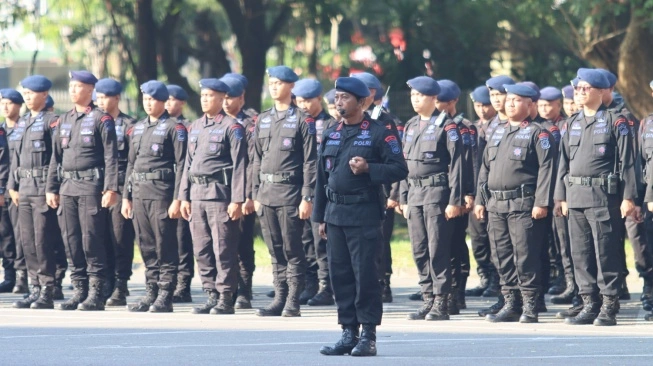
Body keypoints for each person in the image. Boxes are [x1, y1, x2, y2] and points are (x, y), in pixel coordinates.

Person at [315, 77, 407, 356]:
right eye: (336, 97)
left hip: (364, 213)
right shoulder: (332, 132)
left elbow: (399, 169)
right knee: (340, 275)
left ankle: (368, 334)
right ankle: (348, 332)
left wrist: (370, 168)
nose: (338, 102)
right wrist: (320, 216)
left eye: (344, 97)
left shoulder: (380, 132)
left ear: (361, 101)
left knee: (365, 275)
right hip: (335, 214)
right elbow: (322, 177)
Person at [555, 68, 637, 326]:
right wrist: (561, 196)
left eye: (585, 89)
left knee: (606, 252)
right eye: (577, 89)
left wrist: (629, 197)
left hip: (603, 196)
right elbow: (563, 163)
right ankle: (589, 302)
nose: (579, 93)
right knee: (580, 253)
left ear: (601, 91)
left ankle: (609, 304)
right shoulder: (570, 123)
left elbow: (629, 163)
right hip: (576, 196)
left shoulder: (616, 121)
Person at [474, 83, 555, 323]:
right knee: (502, 256)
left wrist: (541, 202)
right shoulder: (497, 131)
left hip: (523, 204)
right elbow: (484, 169)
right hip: (497, 205)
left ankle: (530, 304)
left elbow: (547, 170)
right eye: (508, 99)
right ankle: (511, 302)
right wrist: (480, 200)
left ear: (530, 105)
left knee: (525, 256)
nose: (510, 103)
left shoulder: (538, 133)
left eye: (517, 100)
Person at [46, 70, 119, 311]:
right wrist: (51, 188)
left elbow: (111, 157)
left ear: (90, 90)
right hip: (67, 187)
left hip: (91, 186)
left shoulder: (101, 119)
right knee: (72, 239)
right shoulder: (63, 120)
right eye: (71, 86)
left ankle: (96, 291)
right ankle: (79, 289)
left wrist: (110, 188)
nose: (73, 91)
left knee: (91, 239)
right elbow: (56, 158)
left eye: (78, 87)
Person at [251, 66, 316, 317]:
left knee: (292, 248)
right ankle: (279, 296)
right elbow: (256, 158)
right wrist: (255, 192)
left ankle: (293, 299)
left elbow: (311, 161)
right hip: (266, 193)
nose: (274, 87)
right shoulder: (263, 118)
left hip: (291, 192)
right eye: (271, 82)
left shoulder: (303, 119)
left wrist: (307, 196)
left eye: (279, 83)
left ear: (291, 87)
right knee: (274, 249)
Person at [399, 76, 465, 322]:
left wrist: (454, 200)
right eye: (413, 95)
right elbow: (403, 164)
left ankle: (441, 301)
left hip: (437, 195)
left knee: (438, 249)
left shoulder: (446, 127)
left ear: (433, 99)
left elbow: (457, 166)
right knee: (419, 249)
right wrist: (402, 196)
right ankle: (427, 297)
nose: (415, 100)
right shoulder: (411, 125)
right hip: (414, 194)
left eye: (420, 96)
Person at [179, 78, 247, 315]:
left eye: (210, 96)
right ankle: (210, 293)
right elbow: (187, 164)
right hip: (197, 195)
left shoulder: (232, 127)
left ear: (221, 98)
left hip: (220, 195)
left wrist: (237, 200)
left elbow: (240, 165)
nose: (205, 99)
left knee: (223, 247)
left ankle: (226, 296)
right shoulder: (195, 126)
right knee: (202, 247)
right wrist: (183, 197)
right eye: (203, 95)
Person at [122, 81, 187, 313]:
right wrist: (125, 197)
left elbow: (182, 166)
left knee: (165, 245)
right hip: (139, 193)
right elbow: (131, 164)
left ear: (163, 102)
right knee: (147, 245)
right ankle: (151, 291)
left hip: (162, 193)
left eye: (153, 100)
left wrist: (178, 199)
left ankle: (165, 294)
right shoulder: (137, 128)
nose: (148, 104)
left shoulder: (174, 128)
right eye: (145, 100)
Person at [7, 76, 61, 309]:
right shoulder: (24, 122)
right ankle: (35, 287)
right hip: (24, 189)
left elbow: (55, 159)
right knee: (26, 241)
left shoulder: (52, 122)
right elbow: (15, 158)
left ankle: (48, 289)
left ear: (44, 95)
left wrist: (51, 187)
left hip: (41, 189)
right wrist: (12, 185)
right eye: (25, 93)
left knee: (42, 240)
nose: (27, 97)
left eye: (31, 93)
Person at [350, 72, 402, 303]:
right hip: (354, 190)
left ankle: (383, 283)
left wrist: (393, 194)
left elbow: (395, 161)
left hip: (378, 189)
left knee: (379, 239)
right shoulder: (351, 119)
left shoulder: (385, 121)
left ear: (371, 93)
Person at [292, 78, 337, 306]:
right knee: (304, 240)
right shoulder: (295, 122)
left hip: (321, 189)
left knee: (321, 242)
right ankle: (309, 285)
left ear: (319, 99)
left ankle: (326, 287)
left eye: (308, 101)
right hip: (298, 188)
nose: (303, 105)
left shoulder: (330, 124)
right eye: (299, 101)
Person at [434, 79, 475, 314]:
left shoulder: (464, 126)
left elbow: (468, 162)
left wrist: (467, 193)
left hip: (457, 193)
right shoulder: (435, 125)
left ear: (453, 102)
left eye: (442, 101)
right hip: (439, 192)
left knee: (457, 244)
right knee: (441, 245)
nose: (438, 104)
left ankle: (458, 294)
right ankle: (444, 292)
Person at [95, 78, 137, 306]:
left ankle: (121, 284)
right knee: (100, 237)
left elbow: (133, 161)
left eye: (105, 97)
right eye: (98, 97)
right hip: (96, 186)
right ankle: (106, 281)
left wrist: (127, 193)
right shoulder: (93, 121)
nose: (101, 102)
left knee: (120, 237)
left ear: (117, 98)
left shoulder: (129, 125)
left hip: (120, 187)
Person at [477, 75, 515, 317]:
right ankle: (506, 296)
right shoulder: (493, 127)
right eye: (492, 95)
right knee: (499, 252)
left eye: (500, 94)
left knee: (520, 252)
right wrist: (481, 199)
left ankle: (525, 299)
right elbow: (485, 166)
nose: (496, 99)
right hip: (494, 200)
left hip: (520, 200)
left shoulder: (528, 128)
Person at [221, 74, 258, 309]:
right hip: (219, 191)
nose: (225, 102)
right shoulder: (214, 122)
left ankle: (245, 288)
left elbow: (253, 161)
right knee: (222, 243)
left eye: (230, 97)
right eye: (222, 97)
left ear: (241, 97)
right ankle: (227, 288)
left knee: (243, 241)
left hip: (243, 190)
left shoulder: (252, 123)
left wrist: (249, 195)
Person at [538, 86, 576, 305]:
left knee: (566, 240)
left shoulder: (565, 126)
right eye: (541, 104)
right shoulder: (536, 128)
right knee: (554, 241)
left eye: (548, 104)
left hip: (564, 191)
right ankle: (560, 276)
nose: (544, 108)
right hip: (547, 193)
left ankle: (570, 282)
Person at [465, 86, 496, 297]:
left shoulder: (499, 127)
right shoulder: (471, 128)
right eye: (478, 105)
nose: (482, 110)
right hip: (474, 192)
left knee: (494, 238)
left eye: (486, 105)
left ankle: (496, 279)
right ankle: (485, 276)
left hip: (493, 192)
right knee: (477, 238)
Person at [165, 84, 194, 303]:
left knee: (182, 239)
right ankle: (166, 281)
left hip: (180, 188)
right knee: (165, 239)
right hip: (160, 188)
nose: (167, 103)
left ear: (181, 103)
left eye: (171, 99)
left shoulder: (186, 127)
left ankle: (183, 284)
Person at [0, 88, 23, 294]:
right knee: (5, 235)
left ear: (19, 105)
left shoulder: (25, 128)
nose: (5, 107)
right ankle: (9, 276)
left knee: (21, 234)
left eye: (10, 103)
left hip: (20, 189)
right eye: (3, 103)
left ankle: (23, 276)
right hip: (1, 191)